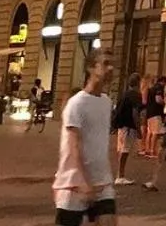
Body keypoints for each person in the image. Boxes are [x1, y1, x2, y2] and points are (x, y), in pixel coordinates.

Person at [52, 56, 116, 226]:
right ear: (90, 68)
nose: (110, 69)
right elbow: (73, 145)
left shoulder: (106, 102)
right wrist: (83, 180)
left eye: (113, 65)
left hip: (102, 181)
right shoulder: (76, 103)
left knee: (109, 221)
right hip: (74, 183)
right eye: (105, 64)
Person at [111, 76, 141, 186]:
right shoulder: (135, 96)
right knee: (125, 150)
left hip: (121, 125)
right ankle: (120, 176)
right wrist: (138, 129)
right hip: (128, 126)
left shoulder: (124, 94)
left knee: (122, 149)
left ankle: (120, 174)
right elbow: (135, 113)